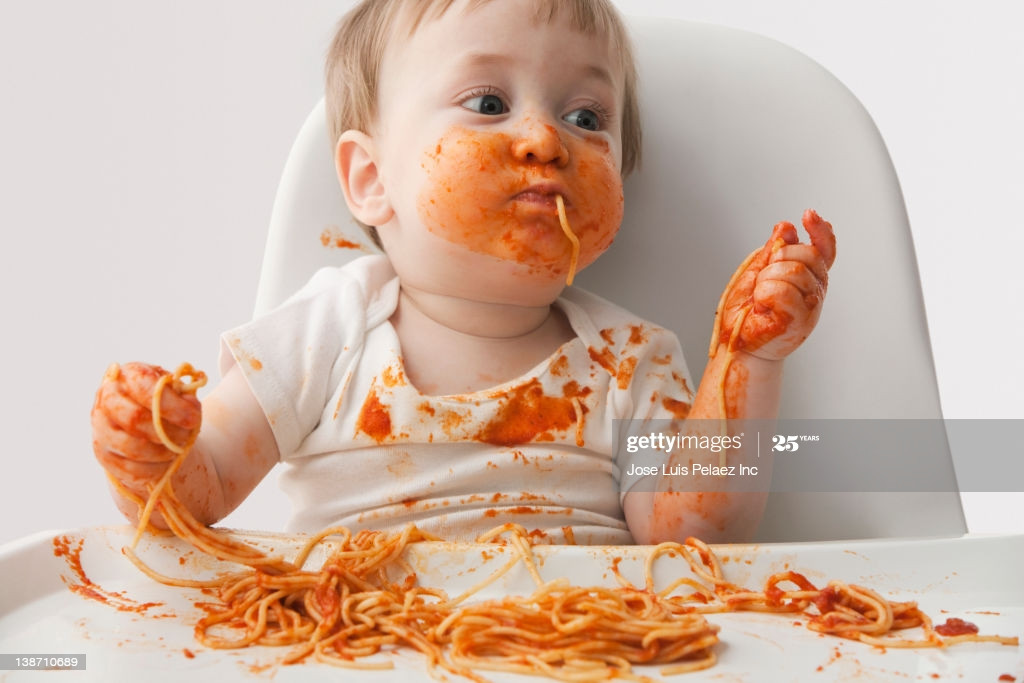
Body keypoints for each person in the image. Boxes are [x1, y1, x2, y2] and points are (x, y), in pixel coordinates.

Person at [91, 0, 835, 546]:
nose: (546, 138)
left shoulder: (630, 358)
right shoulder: (325, 330)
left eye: (586, 118)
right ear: (370, 178)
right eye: (488, 102)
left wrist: (747, 358)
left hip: (587, 647)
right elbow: (206, 486)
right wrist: (154, 453)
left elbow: (690, 533)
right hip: (357, 643)